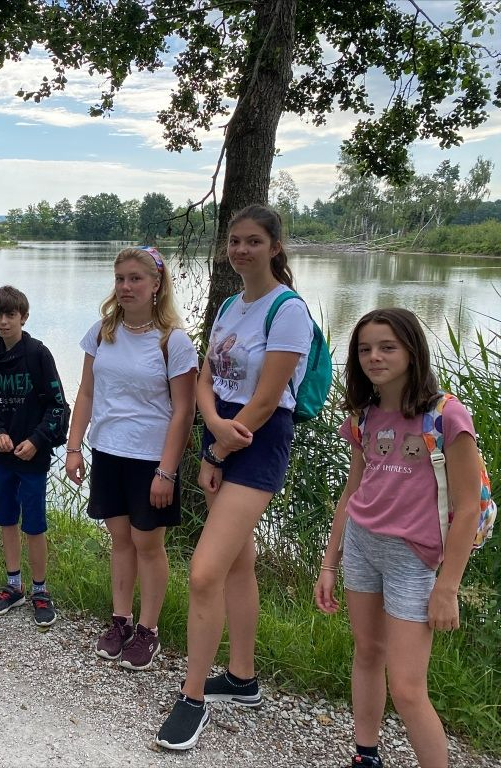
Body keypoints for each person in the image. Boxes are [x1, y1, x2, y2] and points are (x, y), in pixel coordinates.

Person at [155, 204, 314, 750]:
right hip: (222, 432)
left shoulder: (288, 310)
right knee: (238, 563)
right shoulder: (229, 304)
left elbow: (268, 399)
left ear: (275, 247)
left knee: (204, 574)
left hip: (257, 441)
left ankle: (193, 697)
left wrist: (221, 447)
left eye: (253, 241)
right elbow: (206, 377)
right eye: (234, 241)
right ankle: (242, 679)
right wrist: (213, 435)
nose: (241, 250)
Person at [315, 308, 482, 768]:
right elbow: (352, 491)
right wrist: (329, 562)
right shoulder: (364, 415)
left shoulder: (446, 416)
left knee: (407, 688)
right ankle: (366, 755)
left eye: (387, 347)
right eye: (365, 349)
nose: (374, 357)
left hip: (414, 558)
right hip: (362, 546)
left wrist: (447, 588)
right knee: (367, 653)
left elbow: (468, 507)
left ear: (412, 351)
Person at [64, 247, 197, 668]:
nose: (125, 286)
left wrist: (167, 471)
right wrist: (73, 446)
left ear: (156, 284)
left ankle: (148, 630)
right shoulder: (102, 331)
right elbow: (86, 393)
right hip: (108, 452)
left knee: (148, 544)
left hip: (151, 459)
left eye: (135, 278)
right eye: (120, 278)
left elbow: (184, 411)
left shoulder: (173, 341)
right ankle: (120, 621)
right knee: (120, 540)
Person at [0, 285, 71, 627]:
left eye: (11, 315)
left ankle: (40, 590)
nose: (4, 322)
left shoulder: (38, 354)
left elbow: (58, 406)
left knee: (34, 525)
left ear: (24, 317)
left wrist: (36, 440)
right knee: (7, 521)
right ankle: (14, 585)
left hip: (32, 459)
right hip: (3, 458)